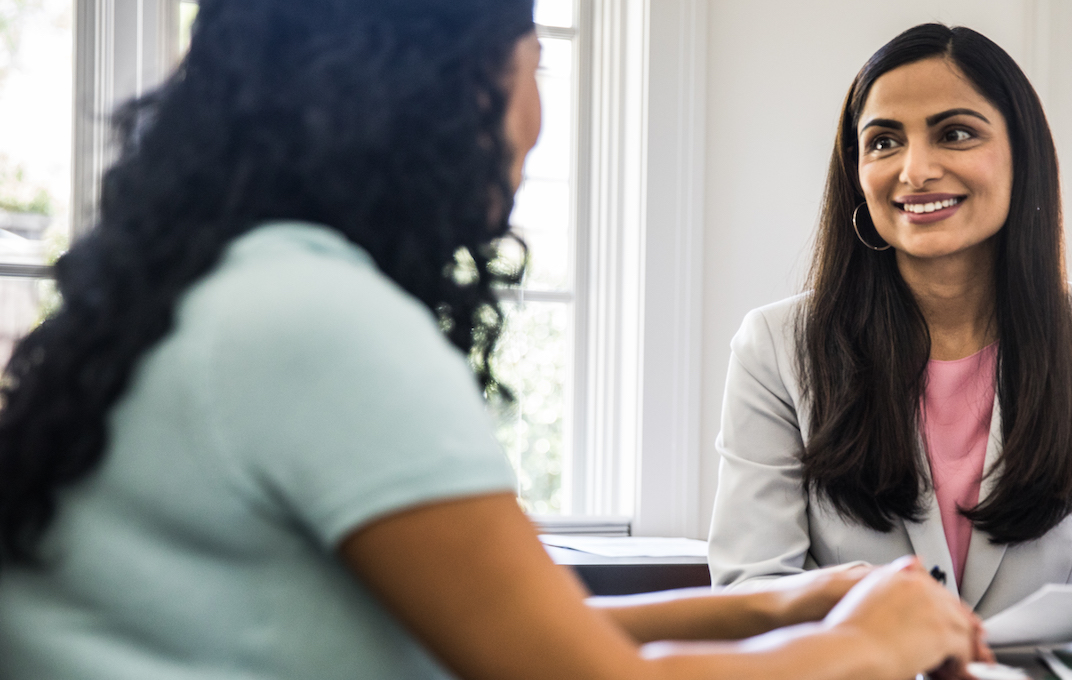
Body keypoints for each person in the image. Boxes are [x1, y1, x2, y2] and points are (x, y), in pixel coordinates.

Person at [0, 2, 993, 679]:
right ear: (439, 92)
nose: (537, 119)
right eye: (534, 68)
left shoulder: (228, 285)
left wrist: (781, 608)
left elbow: (515, 633)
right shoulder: (321, 324)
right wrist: (860, 642)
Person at [707, 23, 1072, 663]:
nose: (915, 169)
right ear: (856, 173)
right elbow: (752, 591)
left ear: (1021, 154)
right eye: (884, 142)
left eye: (956, 133)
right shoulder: (777, 347)